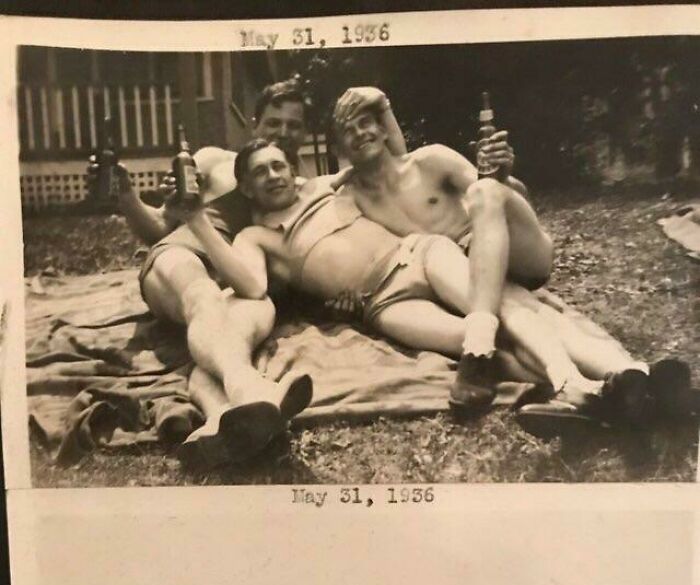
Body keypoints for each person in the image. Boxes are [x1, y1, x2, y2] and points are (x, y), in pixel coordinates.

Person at [332, 90, 695, 429]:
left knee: (486, 189)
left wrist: (504, 175)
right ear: (340, 145)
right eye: (349, 130)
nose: (360, 133)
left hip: (515, 250)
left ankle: (485, 341)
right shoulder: (352, 200)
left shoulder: (430, 161)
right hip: (466, 277)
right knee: (531, 313)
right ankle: (639, 377)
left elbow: (514, 197)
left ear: (383, 129)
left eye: (366, 122)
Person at [88, 82, 407, 467]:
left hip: (243, 285)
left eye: (293, 125)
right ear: (255, 122)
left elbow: (392, 170)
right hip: (184, 258)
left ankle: (220, 419)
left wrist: (337, 297)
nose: (283, 132)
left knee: (228, 336)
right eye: (274, 122)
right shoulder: (214, 162)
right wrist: (128, 198)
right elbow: (159, 227)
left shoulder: (306, 185)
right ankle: (252, 389)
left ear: (304, 133)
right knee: (204, 298)